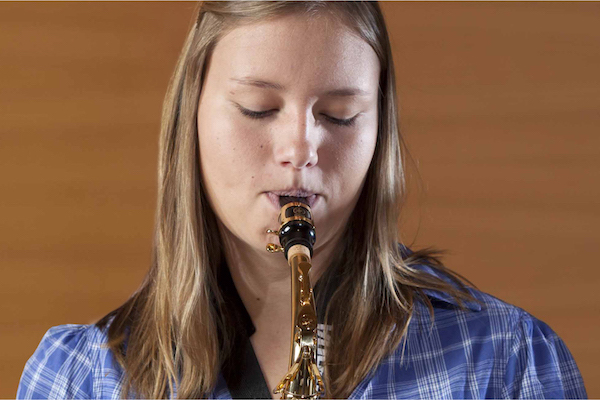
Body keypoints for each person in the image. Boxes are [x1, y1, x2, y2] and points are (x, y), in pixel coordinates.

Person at [17, 2, 587, 399]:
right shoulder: (81, 380)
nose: (298, 149)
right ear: (190, 114)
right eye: (259, 108)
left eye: (339, 115)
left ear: (379, 130)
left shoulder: (506, 364)